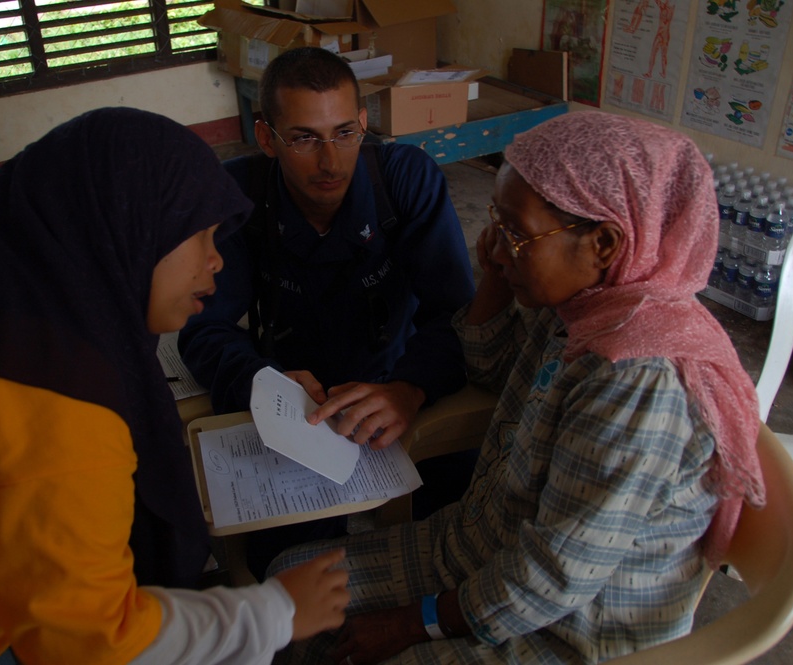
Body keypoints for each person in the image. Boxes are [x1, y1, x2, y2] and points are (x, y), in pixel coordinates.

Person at [0, 108, 349, 665]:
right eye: (197, 234)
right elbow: (89, 646)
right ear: (123, 230)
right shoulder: (56, 408)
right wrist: (273, 614)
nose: (215, 259)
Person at [269, 111, 766, 664]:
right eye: (496, 225)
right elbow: (485, 364)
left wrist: (413, 622)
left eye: (518, 234)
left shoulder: (636, 377)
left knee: (337, 643)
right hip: (479, 548)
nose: (499, 249)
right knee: (284, 589)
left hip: (567, 630)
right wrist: (495, 279)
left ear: (603, 242)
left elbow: (555, 573)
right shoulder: (582, 308)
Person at [177, 47, 477, 577]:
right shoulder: (241, 196)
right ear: (267, 138)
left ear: (364, 123)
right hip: (295, 401)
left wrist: (410, 389)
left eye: (344, 133)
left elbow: (456, 314)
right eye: (304, 139)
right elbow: (205, 329)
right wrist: (262, 385)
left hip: (400, 379)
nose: (330, 160)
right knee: (289, 564)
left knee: (459, 525)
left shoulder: (404, 181)